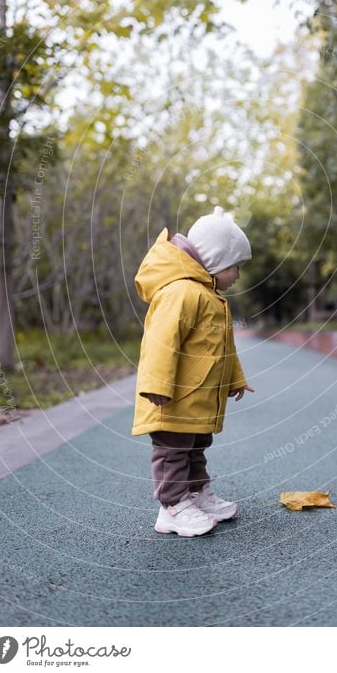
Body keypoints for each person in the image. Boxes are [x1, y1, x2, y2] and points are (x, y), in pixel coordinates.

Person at [131, 205, 254, 537]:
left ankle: (197, 493)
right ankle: (171, 506)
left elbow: (222, 346)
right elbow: (160, 341)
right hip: (173, 399)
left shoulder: (207, 295)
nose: (237, 275)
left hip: (196, 400)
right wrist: (156, 384)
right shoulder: (182, 292)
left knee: (196, 448)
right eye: (235, 267)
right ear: (214, 260)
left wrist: (235, 379)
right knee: (172, 452)